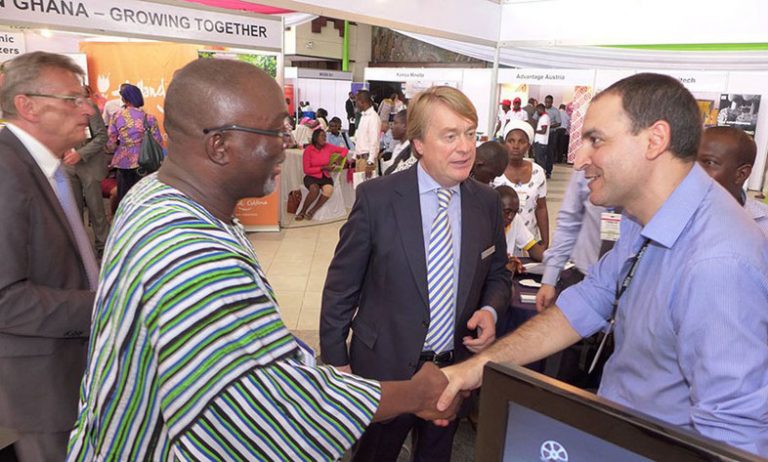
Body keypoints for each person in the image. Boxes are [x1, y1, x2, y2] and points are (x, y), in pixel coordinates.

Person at [67, 58, 461, 462]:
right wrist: (414, 394)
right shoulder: (193, 255)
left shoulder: (153, 193)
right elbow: (274, 411)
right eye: (275, 131)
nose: (286, 142)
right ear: (219, 145)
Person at [437, 73, 768, 456]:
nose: (579, 160)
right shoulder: (642, 216)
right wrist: (478, 367)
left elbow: (733, 437)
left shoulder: (719, 264)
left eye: (596, 140)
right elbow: (589, 301)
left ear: (654, 140)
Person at [320, 85, 511, 461]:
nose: (465, 147)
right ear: (419, 143)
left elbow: (498, 274)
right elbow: (341, 287)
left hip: (451, 372)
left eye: (470, 134)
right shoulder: (377, 198)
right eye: (450, 136)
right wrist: (337, 361)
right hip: (383, 371)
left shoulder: (486, 202)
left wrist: (490, 310)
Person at [0, 51, 98, 462]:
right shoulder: (6, 171)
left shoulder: (45, 167)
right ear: (28, 106)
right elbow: (6, 300)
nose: (88, 109)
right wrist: (107, 303)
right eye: (73, 100)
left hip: (67, 372)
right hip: (41, 388)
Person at [535, 169, 607, 312]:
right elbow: (569, 223)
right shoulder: (586, 167)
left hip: (632, 290)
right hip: (585, 279)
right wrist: (550, 279)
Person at [63, 85, 110, 258]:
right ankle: (80, 249)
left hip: (89, 165)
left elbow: (102, 136)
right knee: (73, 210)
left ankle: (103, 246)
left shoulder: (89, 107)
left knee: (96, 210)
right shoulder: (59, 109)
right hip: (68, 166)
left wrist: (80, 154)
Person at [697, 126, 768, 236]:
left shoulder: (763, 227)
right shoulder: (673, 213)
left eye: (709, 163)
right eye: (691, 160)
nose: (693, 170)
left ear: (741, 174)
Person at [492, 119, 549, 248]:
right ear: (504, 144)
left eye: (521, 142)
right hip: (500, 242)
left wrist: (545, 242)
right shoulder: (495, 171)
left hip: (530, 243)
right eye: (511, 141)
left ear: (528, 146)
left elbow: (541, 208)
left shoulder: (538, 172)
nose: (516, 146)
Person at [106, 83, 163, 205]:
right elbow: (157, 141)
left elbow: (111, 141)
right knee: (143, 196)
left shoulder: (116, 116)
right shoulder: (149, 118)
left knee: (124, 196)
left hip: (122, 162)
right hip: (144, 161)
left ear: (124, 99)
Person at [296, 128, 348, 221]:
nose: (325, 138)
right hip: (311, 177)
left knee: (329, 190)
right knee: (314, 190)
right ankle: (302, 211)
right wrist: (322, 168)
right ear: (316, 137)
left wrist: (340, 158)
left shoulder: (328, 147)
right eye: (322, 136)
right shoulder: (308, 150)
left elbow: (345, 150)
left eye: (325, 136)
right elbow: (306, 170)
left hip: (325, 176)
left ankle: (312, 211)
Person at [496, 185, 544, 262]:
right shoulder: (482, 224)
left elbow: (533, 249)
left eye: (515, 212)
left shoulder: (515, 219)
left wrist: (553, 259)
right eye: (507, 212)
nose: (511, 217)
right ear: (494, 207)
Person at [352, 90, 380, 175]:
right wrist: (354, 156)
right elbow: (360, 139)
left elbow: (374, 141)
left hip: (367, 160)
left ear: (362, 102)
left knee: (367, 183)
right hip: (360, 159)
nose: (356, 104)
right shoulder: (363, 116)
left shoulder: (373, 117)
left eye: (356, 101)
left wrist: (370, 162)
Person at [533, 103, 552, 177]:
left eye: (537, 110)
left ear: (541, 109)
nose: (537, 112)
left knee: (540, 159)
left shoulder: (544, 118)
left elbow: (544, 131)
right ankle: (539, 174)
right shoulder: (543, 117)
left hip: (541, 142)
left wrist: (535, 131)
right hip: (539, 141)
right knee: (538, 159)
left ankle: (541, 174)